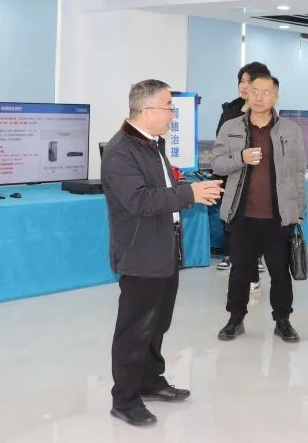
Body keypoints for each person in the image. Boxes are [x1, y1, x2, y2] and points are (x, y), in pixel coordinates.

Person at [101, 79, 225, 427]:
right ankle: (125, 399)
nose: (173, 113)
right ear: (146, 111)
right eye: (169, 107)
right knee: (134, 328)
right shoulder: (120, 151)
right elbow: (139, 200)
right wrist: (190, 194)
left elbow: (161, 189)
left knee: (157, 323)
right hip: (140, 253)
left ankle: (150, 380)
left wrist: (188, 189)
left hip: (163, 249)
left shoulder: (151, 144)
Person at [211, 74, 308, 343]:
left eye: (266, 92)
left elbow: (299, 172)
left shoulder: (290, 130)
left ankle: (283, 320)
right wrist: (239, 157)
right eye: (254, 91)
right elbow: (216, 164)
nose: (259, 97)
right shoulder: (231, 127)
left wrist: (299, 210)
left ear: (276, 96)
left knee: (280, 272)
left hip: (278, 216)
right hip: (241, 214)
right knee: (239, 272)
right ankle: (235, 319)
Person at [214, 61, 272, 274]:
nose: (244, 86)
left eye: (249, 81)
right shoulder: (230, 110)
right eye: (242, 81)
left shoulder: (267, 111)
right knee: (231, 213)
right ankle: (230, 253)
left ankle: (256, 256)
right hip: (232, 169)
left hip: (258, 172)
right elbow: (220, 144)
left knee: (256, 215)